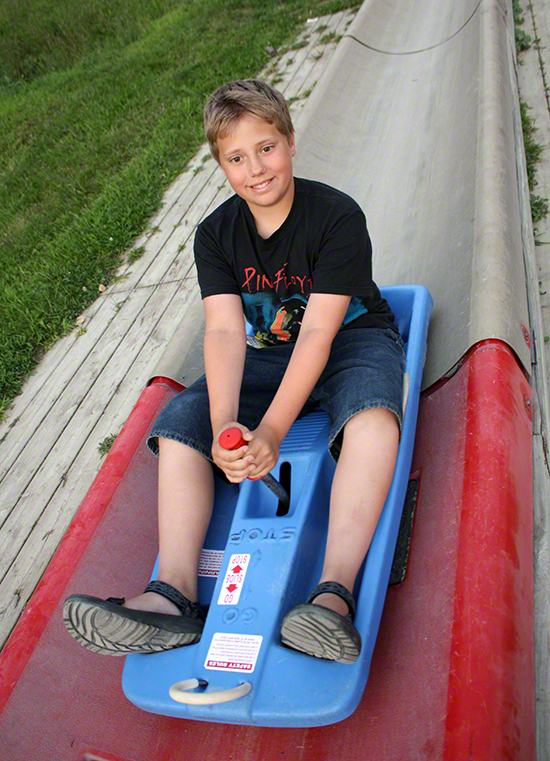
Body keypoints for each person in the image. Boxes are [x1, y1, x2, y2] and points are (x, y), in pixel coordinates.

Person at [63, 79, 404, 664]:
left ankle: (333, 596)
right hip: (269, 354)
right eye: (237, 158)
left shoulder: (337, 217)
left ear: (291, 141)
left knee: (373, 420)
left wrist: (270, 433)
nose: (256, 168)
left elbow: (319, 334)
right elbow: (222, 332)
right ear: (221, 166)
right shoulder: (215, 235)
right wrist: (227, 431)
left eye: (266, 148)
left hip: (350, 340)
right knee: (180, 425)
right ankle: (172, 596)